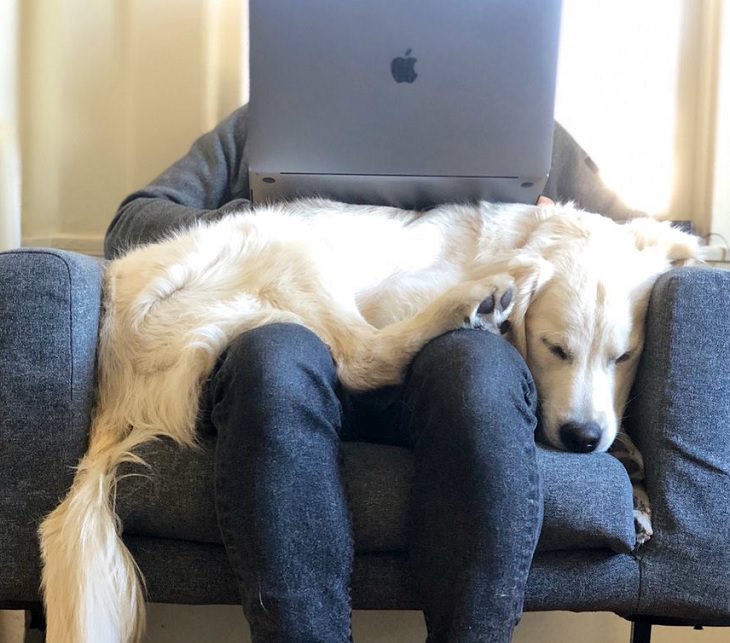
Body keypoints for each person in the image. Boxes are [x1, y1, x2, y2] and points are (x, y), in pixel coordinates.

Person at [106, 105, 640, 642]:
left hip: (443, 367)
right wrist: (273, 222)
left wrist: (545, 225)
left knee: (476, 371)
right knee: (273, 362)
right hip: (298, 343)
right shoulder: (273, 114)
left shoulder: (523, 124)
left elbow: (626, 244)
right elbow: (134, 221)